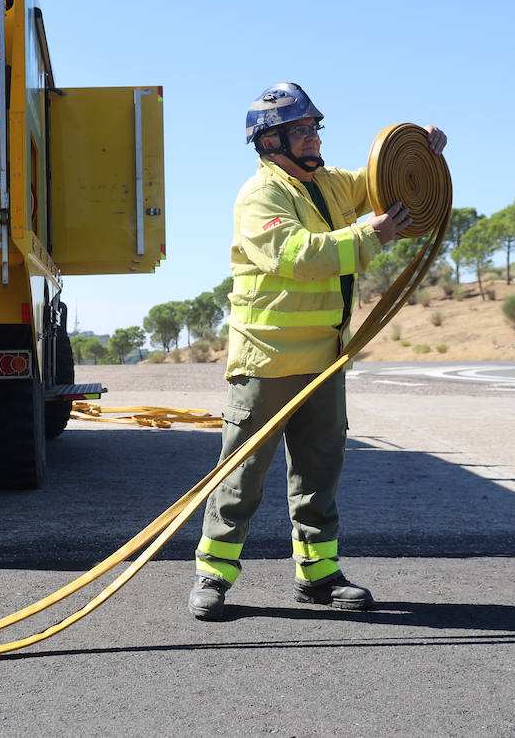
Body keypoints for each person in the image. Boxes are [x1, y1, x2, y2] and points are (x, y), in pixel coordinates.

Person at [189, 82, 447, 621]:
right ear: (270, 141)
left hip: (324, 361)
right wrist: (368, 236)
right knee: (242, 476)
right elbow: (296, 257)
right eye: (301, 130)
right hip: (267, 363)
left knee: (319, 474)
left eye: (313, 128)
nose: (313, 137)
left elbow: (382, 179)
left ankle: (318, 575)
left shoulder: (328, 185)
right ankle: (213, 575)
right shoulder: (260, 195)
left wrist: (421, 150)